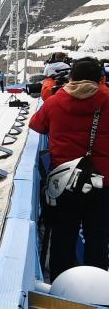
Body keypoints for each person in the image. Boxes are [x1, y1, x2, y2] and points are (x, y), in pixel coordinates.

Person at [29, 57, 109, 281]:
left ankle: (59, 285)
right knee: (98, 238)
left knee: (63, 236)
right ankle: (98, 289)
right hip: (102, 182)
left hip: (64, 182)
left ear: (71, 77)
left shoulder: (55, 102)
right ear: (100, 79)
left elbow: (36, 125)